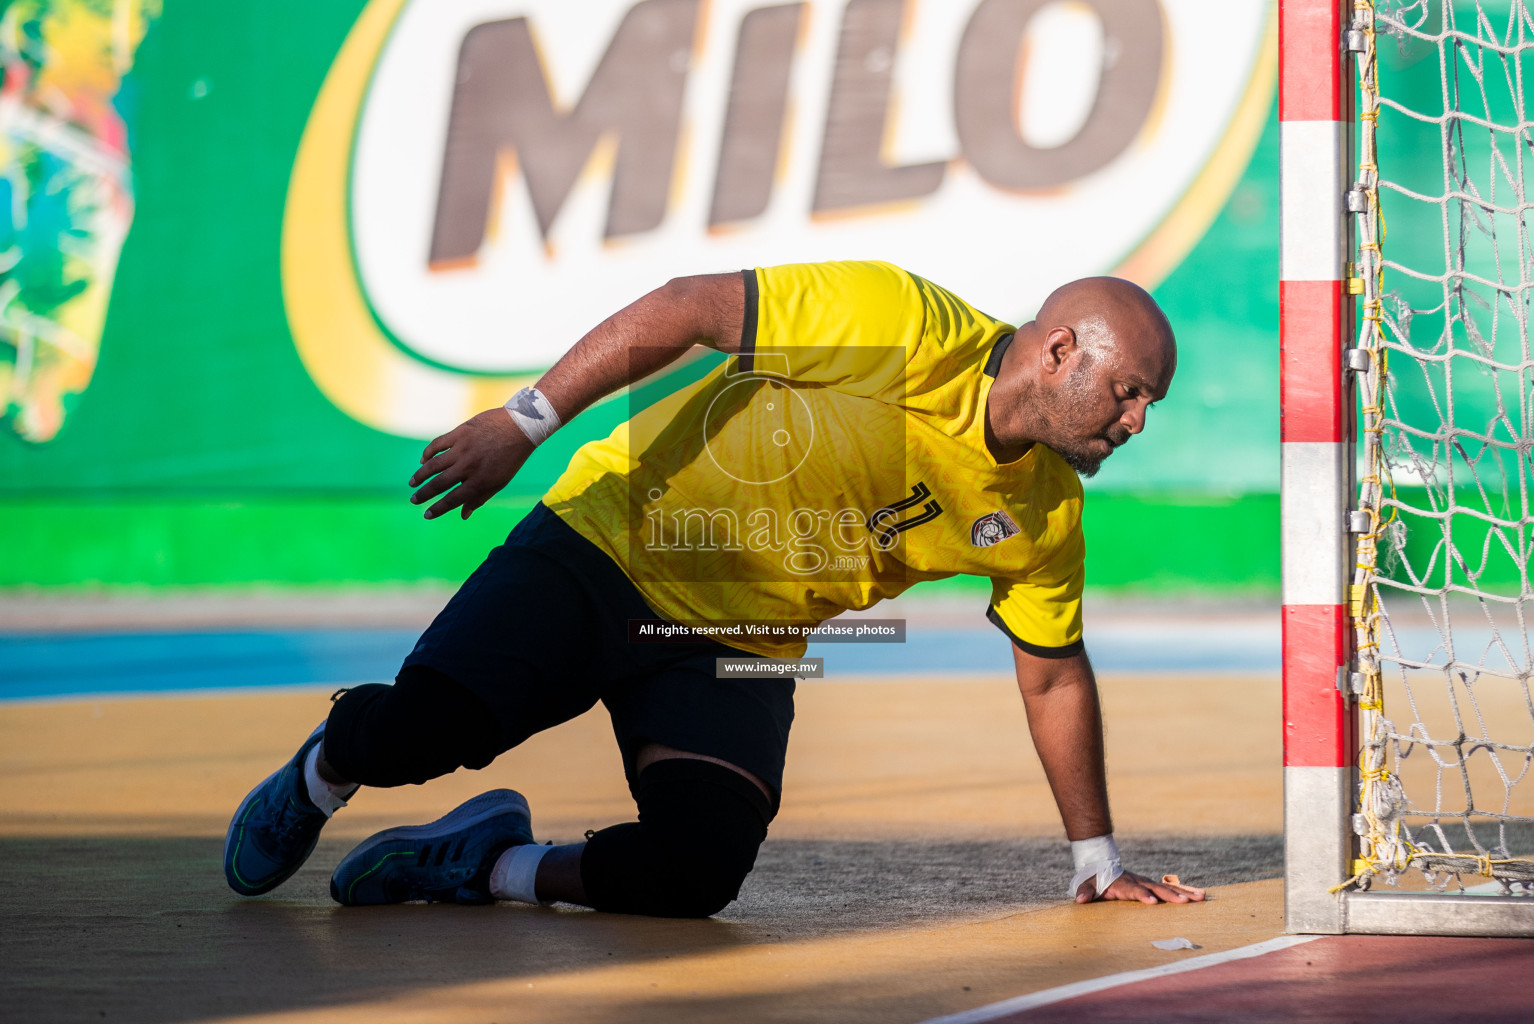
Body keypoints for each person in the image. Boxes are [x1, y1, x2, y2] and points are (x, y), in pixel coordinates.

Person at [224, 260, 1200, 916]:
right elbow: (689, 307)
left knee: (695, 870)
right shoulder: (901, 324)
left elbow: (1054, 677)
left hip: (734, 641)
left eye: (1149, 402)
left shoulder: (1044, 516)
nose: (1138, 420)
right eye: (1130, 390)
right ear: (1062, 348)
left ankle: (486, 861)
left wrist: (1096, 858)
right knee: (417, 736)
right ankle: (326, 767)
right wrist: (524, 423)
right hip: (607, 544)